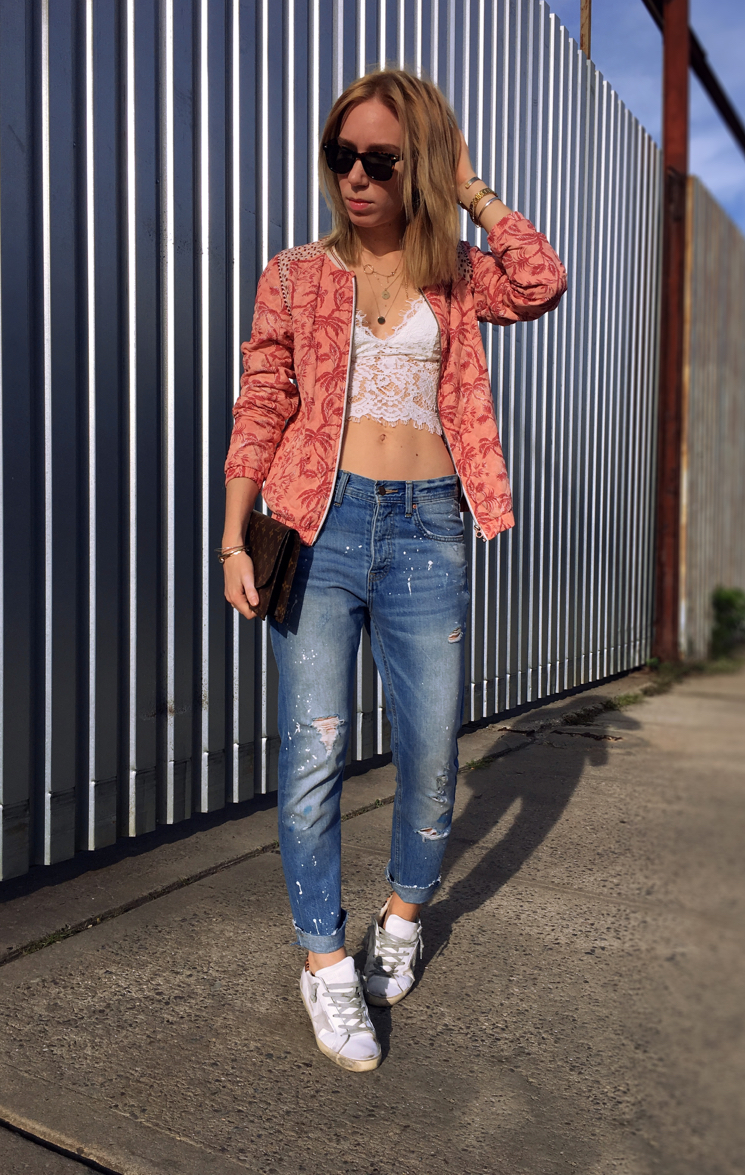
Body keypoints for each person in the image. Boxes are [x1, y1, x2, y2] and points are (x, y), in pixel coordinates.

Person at [221, 69, 566, 1072]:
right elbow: (261, 406)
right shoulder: (292, 275)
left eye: (381, 158)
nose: (357, 176)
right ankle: (326, 962)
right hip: (317, 530)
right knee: (315, 751)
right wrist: (235, 539)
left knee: (429, 751)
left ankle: (402, 918)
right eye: (343, 156)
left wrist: (477, 195)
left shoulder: (456, 270)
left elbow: (541, 281)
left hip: (427, 531)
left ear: (418, 163)